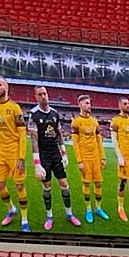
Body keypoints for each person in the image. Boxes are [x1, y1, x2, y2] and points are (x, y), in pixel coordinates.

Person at [28, 86, 81, 230]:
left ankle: (69, 214)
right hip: (43, 155)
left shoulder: (55, 113)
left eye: (45, 93)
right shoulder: (33, 115)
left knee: (64, 184)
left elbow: (59, 134)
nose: (43, 96)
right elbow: (33, 140)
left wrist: (64, 153)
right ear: (36, 97)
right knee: (47, 186)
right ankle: (49, 216)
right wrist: (37, 164)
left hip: (55, 154)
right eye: (40, 94)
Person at [0, 76, 30, 232]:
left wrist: (22, 158)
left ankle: (24, 219)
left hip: (15, 154)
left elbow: (22, 134)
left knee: (19, 185)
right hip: (0, 154)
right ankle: (11, 209)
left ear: (7, 87)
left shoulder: (15, 108)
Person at [71, 94, 109, 223]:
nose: (89, 105)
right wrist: (79, 161)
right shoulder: (76, 122)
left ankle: (98, 208)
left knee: (98, 183)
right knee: (86, 183)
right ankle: (88, 209)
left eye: (90, 103)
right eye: (86, 103)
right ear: (80, 105)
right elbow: (75, 143)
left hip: (96, 158)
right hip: (85, 159)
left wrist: (103, 158)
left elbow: (99, 141)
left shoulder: (94, 121)